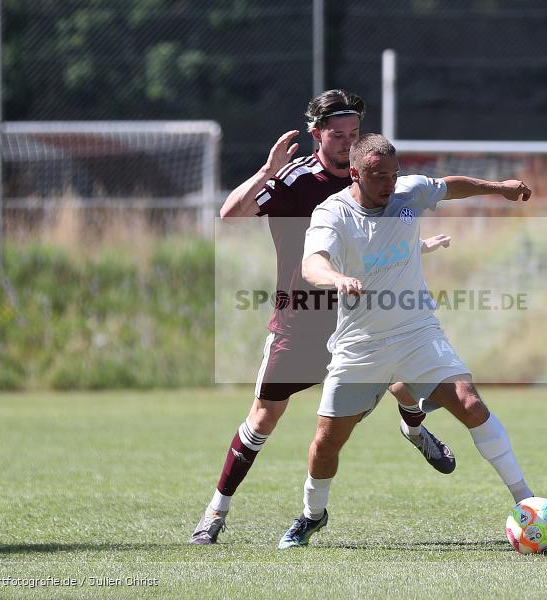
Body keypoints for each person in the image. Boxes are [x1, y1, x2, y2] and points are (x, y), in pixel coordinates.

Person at [190, 91, 455, 544]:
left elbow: (380, 240)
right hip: (301, 319)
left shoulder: (369, 177)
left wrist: (418, 248)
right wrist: (268, 171)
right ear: (317, 134)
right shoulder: (294, 179)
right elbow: (230, 215)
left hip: (361, 318)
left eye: (354, 133)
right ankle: (215, 512)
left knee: (407, 382)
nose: (348, 141)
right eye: (338, 134)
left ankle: (414, 431)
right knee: (263, 417)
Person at [277, 133, 536, 549]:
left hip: (417, 331)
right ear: (354, 173)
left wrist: (499, 188)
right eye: (378, 176)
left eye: (393, 174)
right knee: (327, 442)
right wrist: (337, 278)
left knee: (470, 404)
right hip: (360, 343)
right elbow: (312, 264)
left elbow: (449, 186)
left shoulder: (407, 192)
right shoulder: (333, 213)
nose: (389, 183)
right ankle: (312, 516)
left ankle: (527, 502)